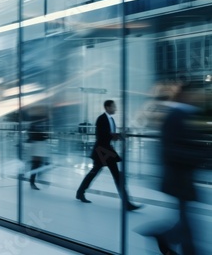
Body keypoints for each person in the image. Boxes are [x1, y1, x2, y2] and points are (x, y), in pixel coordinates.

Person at [138, 84, 207, 255]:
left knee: (186, 218)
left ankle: (167, 237)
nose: (199, 97)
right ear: (184, 95)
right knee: (187, 219)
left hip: (184, 176)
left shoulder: (187, 115)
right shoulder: (176, 116)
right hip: (178, 177)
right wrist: (200, 156)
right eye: (196, 94)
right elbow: (170, 150)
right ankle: (180, 245)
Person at [75, 100, 140, 211]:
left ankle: (80, 192)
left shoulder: (111, 119)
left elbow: (110, 135)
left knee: (97, 173)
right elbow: (103, 136)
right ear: (107, 107)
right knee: (104, 174)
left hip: (106, 150)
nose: (115, 109)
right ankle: (127, 203)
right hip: (102, 151)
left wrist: (119, 136)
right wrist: (120, 136)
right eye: (113, 107)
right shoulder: (101, 119)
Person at [27, 116, 50, 190]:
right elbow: (36, 135)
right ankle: (33, 182)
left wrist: (44, 135)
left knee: (38, 164)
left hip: (40, 146)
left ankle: (35, 180)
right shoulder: (35, 124)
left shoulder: (40, 124)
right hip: (37, 146)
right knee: (36, 164)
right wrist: (44, 136)